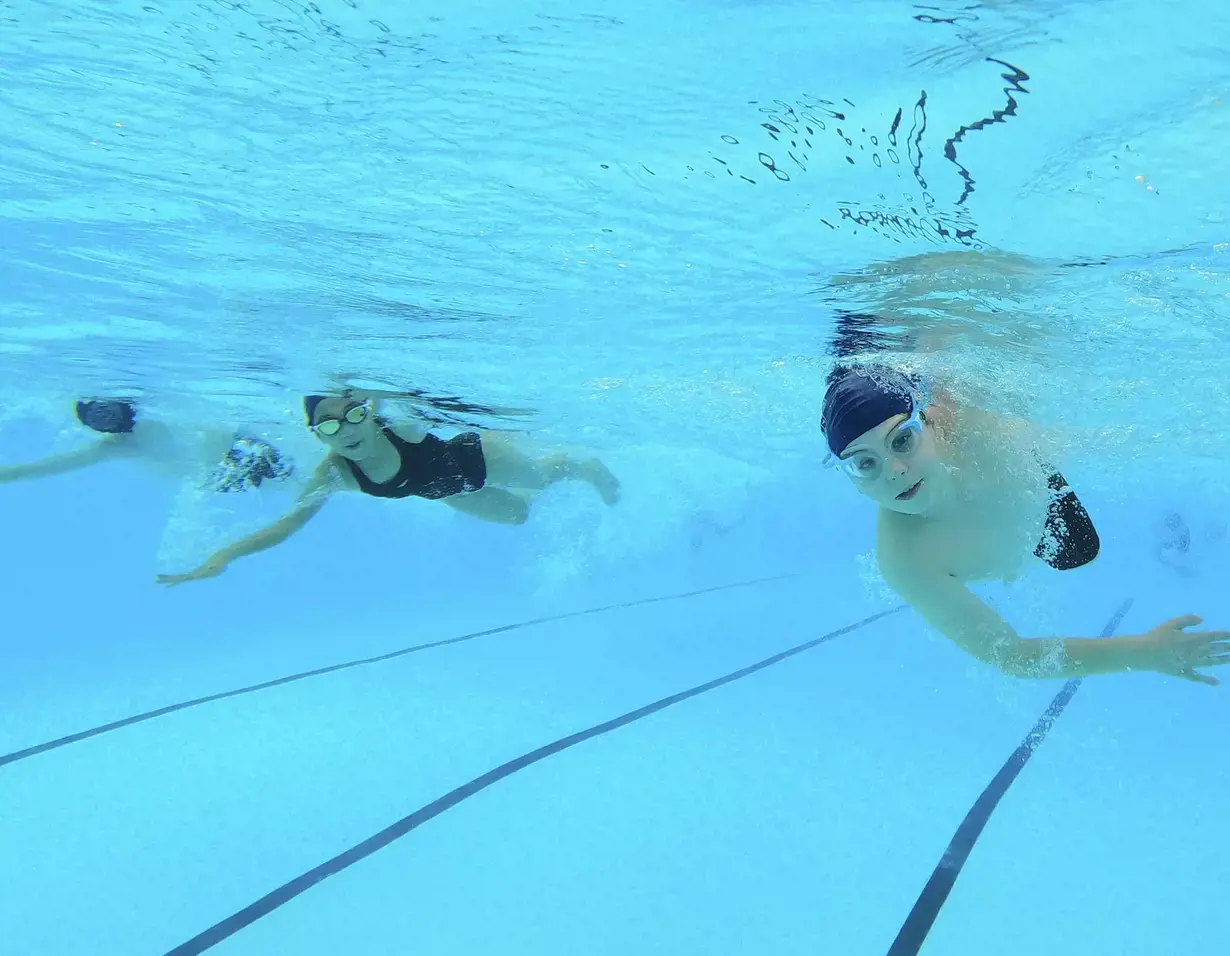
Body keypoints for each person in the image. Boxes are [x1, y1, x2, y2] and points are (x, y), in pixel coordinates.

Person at [822, 363, 1230, 685]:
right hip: (1009, 533)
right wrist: (1146, 652)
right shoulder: (904, 561)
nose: (893, 470)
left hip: (1032, 486)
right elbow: (1014, 657)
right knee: (1075, 553)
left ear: (927, 422)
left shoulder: (969, 419)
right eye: (864, 463)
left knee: (1080, 551)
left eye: (902, 439)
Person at [156, 391, 621, 585]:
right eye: (330, 424)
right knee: (519, 514)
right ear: (317, 434)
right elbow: (287, 524)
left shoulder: (400, 427)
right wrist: (223, 556)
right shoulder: (334, 474)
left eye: (354, 414)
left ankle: (586, 466)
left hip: (478, 458)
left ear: (370, 414)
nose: (347, 429)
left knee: (539, 476)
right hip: (447, 491)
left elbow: (410, 401)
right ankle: (559, 470)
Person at [0, 398, 292, 493]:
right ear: (91, 427)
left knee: (293, 467)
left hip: (239, 446)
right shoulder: (117, 446)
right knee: (293, 481)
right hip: (220, 474)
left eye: (101, 408)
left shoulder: (154, 404)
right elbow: (49, 467)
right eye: (93, 418)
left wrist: (249, 436)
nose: (101, 416)